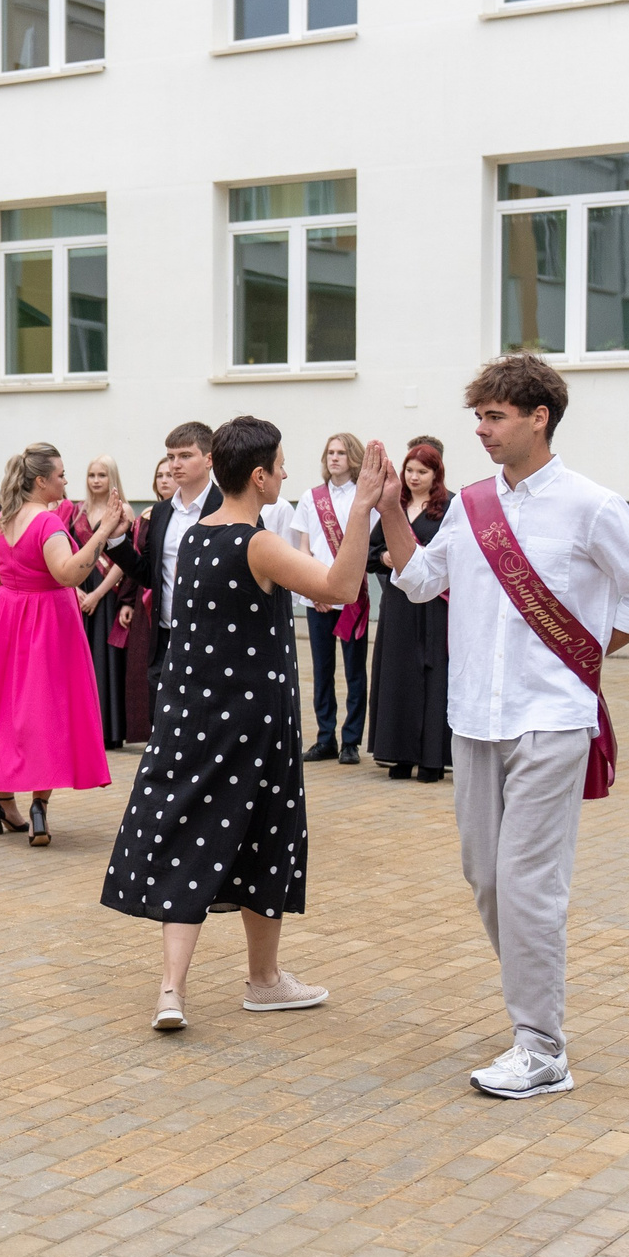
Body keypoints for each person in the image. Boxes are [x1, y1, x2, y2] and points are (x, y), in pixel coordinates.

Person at [380, 354, 629, 1101]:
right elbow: (420, 582)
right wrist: (387, 508)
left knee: (528, 883)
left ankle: (542, 1046)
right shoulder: (472, 504)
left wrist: (582, 656)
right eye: (478, 417)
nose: (481, 430)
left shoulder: (592, 506)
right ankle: (532, 1017)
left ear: (538, 417)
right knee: (486, 877)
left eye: (495, 416)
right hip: (474, 719)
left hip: (551, 719)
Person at [103, 418, 390, 1031]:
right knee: (267, 839)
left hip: (193, 716)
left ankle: (173, 992)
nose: (286, 474)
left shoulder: (198, 536)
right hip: (252, 722)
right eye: (281, 466)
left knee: (190, 838)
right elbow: (340, 587)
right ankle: (261, 981)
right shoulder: (254, 541)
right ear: (259, 477)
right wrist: (363, 506)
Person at [0, 444, 124, 846]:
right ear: (41, 481)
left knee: (6, 711)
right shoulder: (48, 525)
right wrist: (105, 530)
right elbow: (69, 573)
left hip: (4, 617)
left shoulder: (1, 523)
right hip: (47, 622)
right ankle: (39, 804)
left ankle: (4, 801)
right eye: (60, 475)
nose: (66, 481)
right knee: (45, 712)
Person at [103, 421, 220, 716]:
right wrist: (117, 539)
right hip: (166, 634)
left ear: (209, 459)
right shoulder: (161, 512)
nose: (175, 465)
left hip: (213, 637)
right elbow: (148, 574)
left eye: (184, 456)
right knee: (164, 722)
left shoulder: (226, 507)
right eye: (170, 457)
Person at [282, 430, 378, 767]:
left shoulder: (364, 497)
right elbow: (303, 547)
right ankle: (326, 738)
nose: (333, 458)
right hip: (317, 597)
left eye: (340, 452)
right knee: (322, 671)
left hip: (352, 597)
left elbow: (369, 544)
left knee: (354, 672)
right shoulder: (311, 497)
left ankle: (351, 740)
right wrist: (313, 588)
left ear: (352, 457)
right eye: (329, 453)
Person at [368, 442, 453, 783]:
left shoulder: (448, 508)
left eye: (422, 472)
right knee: (398, 673)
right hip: (400, 604)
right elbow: (372, 551)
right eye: (410, 471)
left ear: (436, 475)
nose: (414, 477)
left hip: (435, 604)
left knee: (434, 675)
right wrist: (387, 558)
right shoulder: (394, 506)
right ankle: (398, 754)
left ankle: (432, 758)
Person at [70, 457, 134, 749]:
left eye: (102, 475)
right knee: (79, 660)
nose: (96, 480)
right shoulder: (75, 512)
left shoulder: (123, 511)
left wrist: (97, 594)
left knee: (105, 660)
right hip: (79, 591)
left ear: (113, 479)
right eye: (91, 474)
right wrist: (76, 590)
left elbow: (125, 562)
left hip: (107, 594)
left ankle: (107, 730)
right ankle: (81, 728)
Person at [116, 457, 174, 747]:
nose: (164, 479)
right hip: (148, 601)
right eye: (159, 474)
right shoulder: (149, 516)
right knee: (148, 670)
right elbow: (139, 565)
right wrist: (126, 600)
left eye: (169, 474)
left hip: (175, 603)